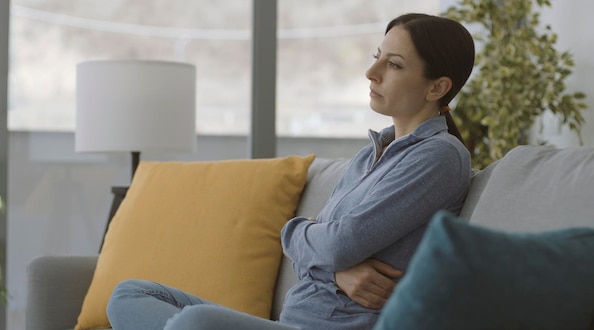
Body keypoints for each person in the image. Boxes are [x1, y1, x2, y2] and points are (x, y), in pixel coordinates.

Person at [106, 12, 475, 330]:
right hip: (288, 322)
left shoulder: (439, 157)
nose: (371, 72)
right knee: (130, 293)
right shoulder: (370, 155)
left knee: (193, 323)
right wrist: (334, 270)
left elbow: (339, 243)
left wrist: (317, 244)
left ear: (437, 87)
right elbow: (301, 237)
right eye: (377, 57)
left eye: (393, 65)